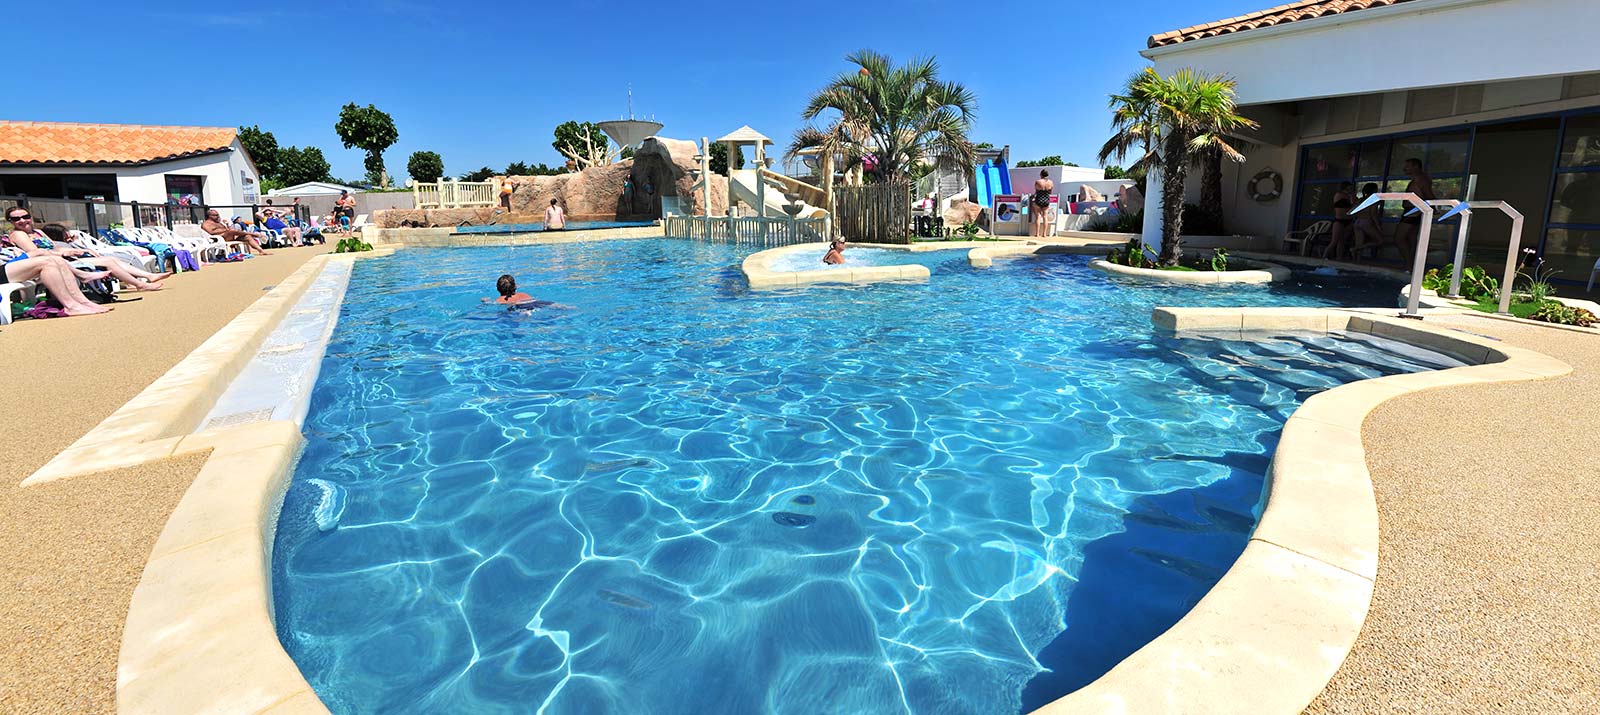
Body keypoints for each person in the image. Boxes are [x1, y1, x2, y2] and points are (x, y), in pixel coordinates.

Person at [6, 210, 168, 291]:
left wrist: (80, 250)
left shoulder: (38, 232)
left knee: (109, 259)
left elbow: (55, 247)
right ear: (11, 221)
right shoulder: (18, 235)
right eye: (16, 219)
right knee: (108, 261)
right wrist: (68, 253)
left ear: (30, 217)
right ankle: (141, 283)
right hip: (51, 263)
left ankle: (147, 277)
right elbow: (35, 252)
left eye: (25, 216)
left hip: (63, 258)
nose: (22, 220)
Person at [1394, 158, 1434, 266]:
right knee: (1411, 239)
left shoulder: (1421, 179)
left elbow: (1429, 195)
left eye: (1407, 166)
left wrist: (1432, 209)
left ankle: (1410, 265)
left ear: (1415, 166)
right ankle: (1413, 266)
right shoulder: (1417, 179)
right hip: (1413, 211)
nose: (1404, 169)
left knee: (1399, 239)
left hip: (1413, 212)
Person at [201, 209, 270, 255]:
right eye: (216, 215)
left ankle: (261, 251)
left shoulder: (218, 223)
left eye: (218, 215)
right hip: (219, 239)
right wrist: (226, 230)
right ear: (209, 216)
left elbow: (227, 229)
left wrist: (227, 226)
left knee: (247, 237)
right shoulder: (206, 224)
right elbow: (211, 232)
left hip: (229, 236)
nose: (218, 216)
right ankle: (254, 234)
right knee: (233, 230)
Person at [1349, 182, 1386, 261]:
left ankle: (1357, 262)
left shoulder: (1360, 200)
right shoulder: (1374, 200)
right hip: (1366, 222)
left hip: (1357, 222)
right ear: (1374, 190)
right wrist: (1378, 226)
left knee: (1359, 242)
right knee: (1380, 241)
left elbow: (1354, 212)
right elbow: (1373, 214)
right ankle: (1355, 249)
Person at [1324, 182, 1357, 260]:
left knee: (1342, 242)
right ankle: (1324, 257)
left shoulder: (1350, 196)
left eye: (1351, 188)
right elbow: (1342, 206)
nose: (1350, 190)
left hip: (1348, 220)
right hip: (1339, 220)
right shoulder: (1339, 195)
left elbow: (1354, 207)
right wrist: (1351, 198)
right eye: (1349, 188)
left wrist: (1353, 198)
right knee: (1334, 241)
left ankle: (1339, 258)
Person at [1031, 169, 1054, 238]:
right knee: (1045, 216)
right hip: (1046, 199)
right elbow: (1050, 192)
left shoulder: (1038, 182)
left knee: (1038, 217)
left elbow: (1036, 190)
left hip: (1039, 199)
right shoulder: (1051, 182)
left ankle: (1037, 233)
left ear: (1041, 174)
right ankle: (1044, 234)